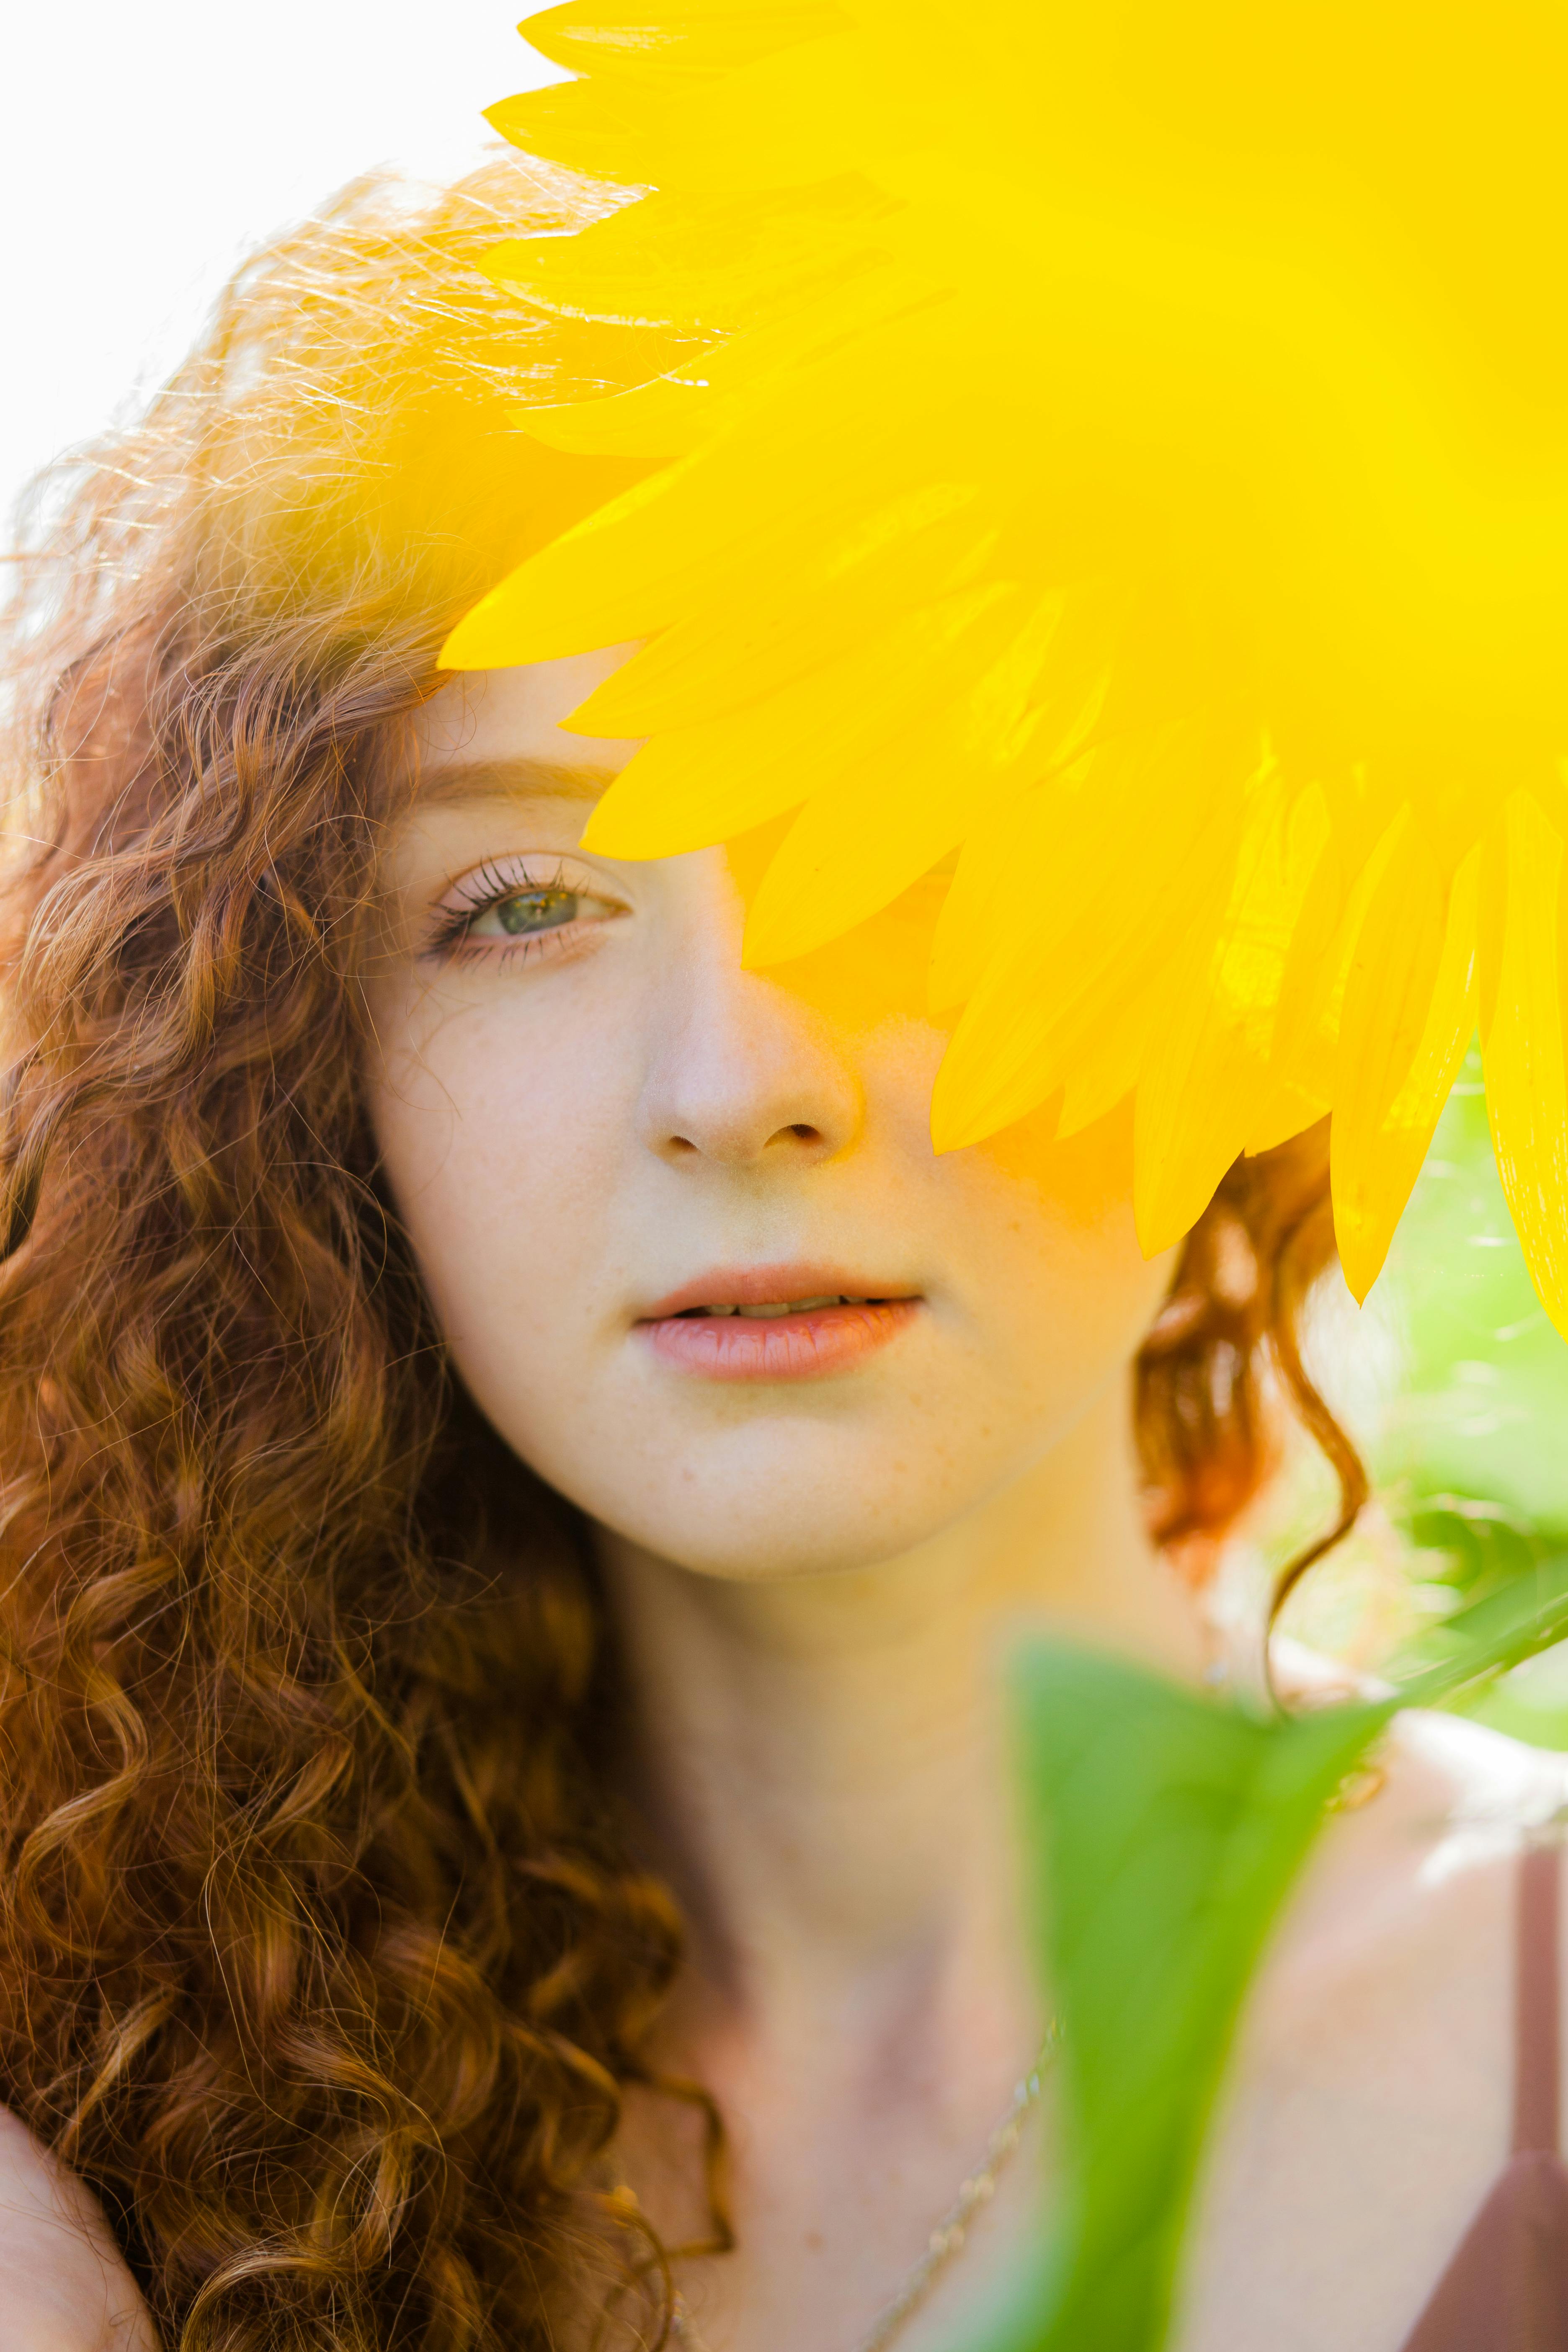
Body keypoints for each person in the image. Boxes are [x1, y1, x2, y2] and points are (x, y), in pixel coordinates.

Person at [0, 159, 1563, 2352]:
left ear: (1244, 961)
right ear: (298, 1077)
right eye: (521, 904)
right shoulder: (124, 2108)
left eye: (909, 868)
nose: (743, 1079)